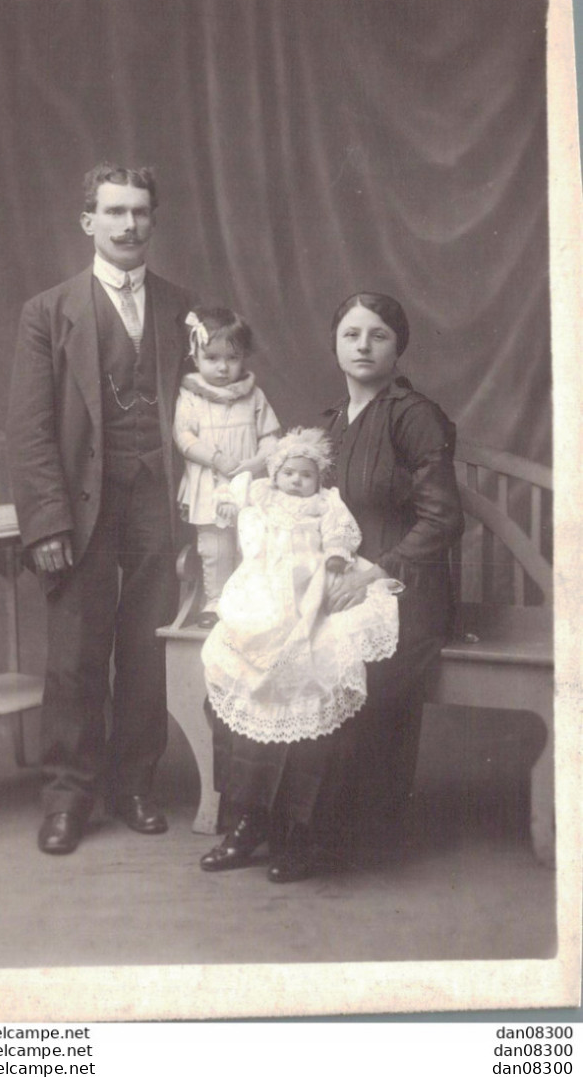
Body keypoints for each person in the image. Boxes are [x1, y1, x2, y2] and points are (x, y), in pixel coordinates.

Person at [6, 162, 197, 855]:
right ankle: (67, 796)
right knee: (76, 653)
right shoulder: (49, 312)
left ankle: (134, 785)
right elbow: (28, 430)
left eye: (139, 212)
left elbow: (211, 409)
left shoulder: (184, 308)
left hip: (157, 501)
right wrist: (46, 522)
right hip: (81, 507)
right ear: (87, 221)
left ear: (153, 221)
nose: (127, 225)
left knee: (148, 646)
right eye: (113, 212)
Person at [198, 428, 402, 883]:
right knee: (241, 673)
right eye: (288, 473)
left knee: (315, 678)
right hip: (266, 594)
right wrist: (248, 483)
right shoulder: (268, 494)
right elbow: (238, 492)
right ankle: (249, 822)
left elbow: (341, 535)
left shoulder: (328, 501)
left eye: (304, 474)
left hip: (316, 592)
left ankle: (300, 831)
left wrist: (334, 561)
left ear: (317, 476)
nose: (295, 481)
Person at [319, 291, 465, 857]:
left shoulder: (413, 416)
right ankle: (268, 821)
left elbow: (442, 520)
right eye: (351, 334)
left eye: (377, 335)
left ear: (398, 346)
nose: (363, 345)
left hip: (408, 588)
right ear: (335, 344)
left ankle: (348, 834)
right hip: (347, 580)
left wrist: (375, 573)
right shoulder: (331, 421)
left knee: (353, 661)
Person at [173, 306, 280, 627]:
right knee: (215, 547)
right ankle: (215, 600)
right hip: (211, 484)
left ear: (244, 357)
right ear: (195, 357)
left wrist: (253, 463)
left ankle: (247, 599)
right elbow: (184, 437)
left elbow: (272, 437)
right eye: (212, 358)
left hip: (248, 484)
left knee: (249, 542)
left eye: (232, 359)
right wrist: (217, 459)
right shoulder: (191, 397)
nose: (222, 368)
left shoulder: (253, 396)